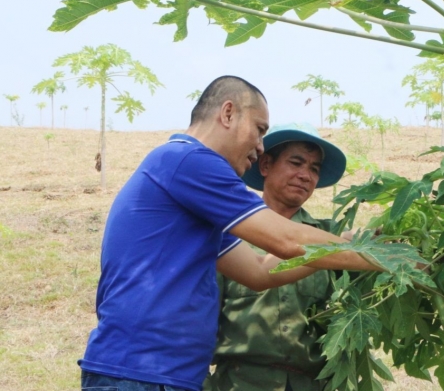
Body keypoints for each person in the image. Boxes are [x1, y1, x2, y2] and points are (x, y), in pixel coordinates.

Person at [79, 76, 383, 391]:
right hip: (138, 374)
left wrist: (351, 245)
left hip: (165, 376)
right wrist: (385, 259)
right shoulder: (188, 160)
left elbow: (259, 271)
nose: (260, 146)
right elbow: (285, 240)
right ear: (227, 113)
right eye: (259, 130)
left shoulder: (196, 198)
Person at [204, 122, 347, 391]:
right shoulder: (228, 236)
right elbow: (199, 324)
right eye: (296, 163)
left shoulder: (331, 236)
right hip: (241, 383)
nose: (306, 175)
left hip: (314, 383)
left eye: (314, 169)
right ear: (266, 165)